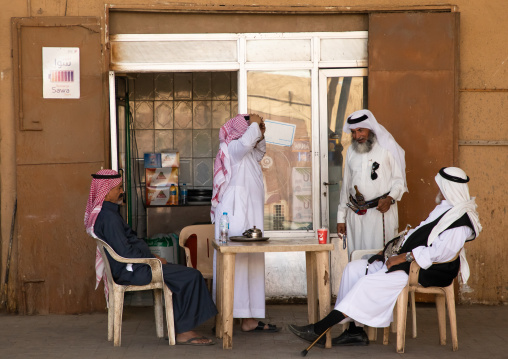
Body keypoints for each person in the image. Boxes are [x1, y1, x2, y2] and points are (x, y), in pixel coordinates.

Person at [289, 167, 481, 347]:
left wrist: (403, 257)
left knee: (367, 284)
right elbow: (418, 232)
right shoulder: (446, 209)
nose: (438, 188)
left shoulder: (461, 221)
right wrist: (390, 250)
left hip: (426, 270)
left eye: (441, 185)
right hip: (411, 261)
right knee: (354, 269)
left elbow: (440, 252)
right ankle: (355, 331)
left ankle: (320, 329)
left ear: (449, 187)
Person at [85, 169, 218, 346]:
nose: (122, 191)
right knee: (191, 275)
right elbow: (126, 253)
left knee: (182, 274)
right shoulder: (108, 217)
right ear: (106, 191)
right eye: (118, 188)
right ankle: (184, 332)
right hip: (133, 270)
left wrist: (152, 256)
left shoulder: (107, 213)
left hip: (134, 266)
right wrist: (152, 259)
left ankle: (181, 327)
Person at [210, 113, 278, 333]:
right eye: (249, 127)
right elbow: (247, 142)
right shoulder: (231, 148)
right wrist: (255, 124)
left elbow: (259, 150)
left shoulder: (245, 150)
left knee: (252, 262)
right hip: (235, 215)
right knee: (235, 264)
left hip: (250, 214)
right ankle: (226, 318)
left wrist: (260, 132)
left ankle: (249, 318)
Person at [337, 109, 407, 255]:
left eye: (360, 130)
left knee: (380, 261)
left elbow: (399, 181)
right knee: (357, 258)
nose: (357, 136)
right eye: (354, 132)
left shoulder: (387, 147)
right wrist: (340, 217)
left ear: (370, 128)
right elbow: (346, 186)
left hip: (380, 215)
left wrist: (390, 198)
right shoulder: (351, 151)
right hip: (355, 217)